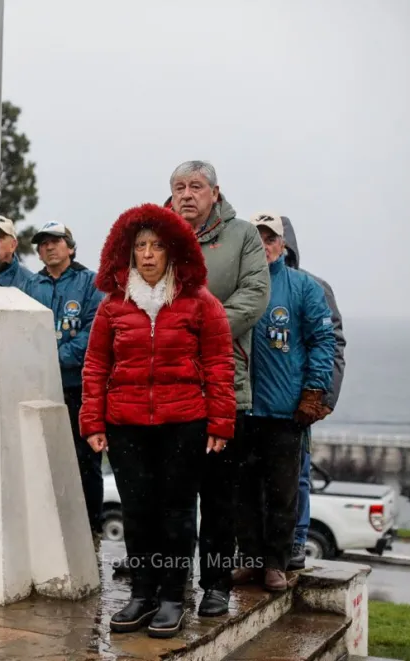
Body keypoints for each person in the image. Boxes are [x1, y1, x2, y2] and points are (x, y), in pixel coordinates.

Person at [81, 203, 235, 638]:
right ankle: (142, 594)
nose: (147, 254)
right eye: (140, 247)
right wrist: (93, 422)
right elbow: (95, 365)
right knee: (137, 512)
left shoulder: (200, 304)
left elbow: (220, 364)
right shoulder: (113, 307)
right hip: (125, 424)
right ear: (128, 254)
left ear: (173, 252)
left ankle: (171, 597)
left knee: (178, 513)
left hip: (183, 424)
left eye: (156, 247)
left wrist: (220, 424)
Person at [167, 160, 270, 616]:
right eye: (178, 187)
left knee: (218, 494)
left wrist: (198, 329)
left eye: (196, 186)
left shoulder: (244, 236)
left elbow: (254, 295)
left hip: (223, 384)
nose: (186, 194)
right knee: (169, 494)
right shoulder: (158, 235)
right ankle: (166, 583)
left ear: (215, 193)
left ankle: (214, 584)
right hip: (166, 384)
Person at [233, 212, 335, 591]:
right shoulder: (237, 288)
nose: (263, 246)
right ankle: (250, 560)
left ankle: (275, 562)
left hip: (284, 412)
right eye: (255, 239)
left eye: (270, 239)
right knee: (242, 492)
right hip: (242, 407)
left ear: (282, 245)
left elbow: (324, 342)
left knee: (282, 492)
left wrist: (314, 391)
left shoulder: (304, 288)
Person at [23, 221, 104, 534]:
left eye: (55, 241)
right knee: (45, 459)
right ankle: (49, 529)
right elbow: (24, 331)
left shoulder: (90, 283)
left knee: (85, 460)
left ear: (70, 246)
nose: (48, 247)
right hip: (41, 388)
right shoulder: (32, 286)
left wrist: (55, 358)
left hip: (79, 388)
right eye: (43, 243)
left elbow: (93, 331)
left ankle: (91, 529)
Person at [281, 215, 346, 571]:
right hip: (259, 403)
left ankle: (295, 542)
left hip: (299, 403)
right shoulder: (253, 285)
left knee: (298, 475)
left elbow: (333, 345)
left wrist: (321, 399)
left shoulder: (314, 286)